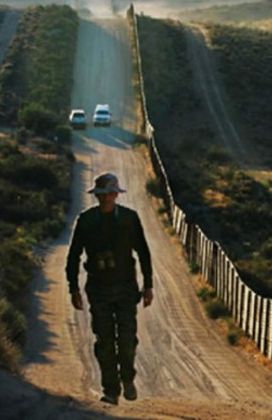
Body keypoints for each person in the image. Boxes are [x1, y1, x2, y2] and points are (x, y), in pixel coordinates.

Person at [66, 172, 154, 405]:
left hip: (126, 288)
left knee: (126, 340)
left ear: (116, 195)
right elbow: (74, 255)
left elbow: (143, 252)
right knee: (104, 342)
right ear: (97, 196)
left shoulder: (129, 219)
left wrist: (148, 285)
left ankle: (127, 378)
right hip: (98, 288)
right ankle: (111, 390)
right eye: (101, 195)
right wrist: (73, 288)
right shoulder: (86, 221)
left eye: (109, 194)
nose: (105, 199)